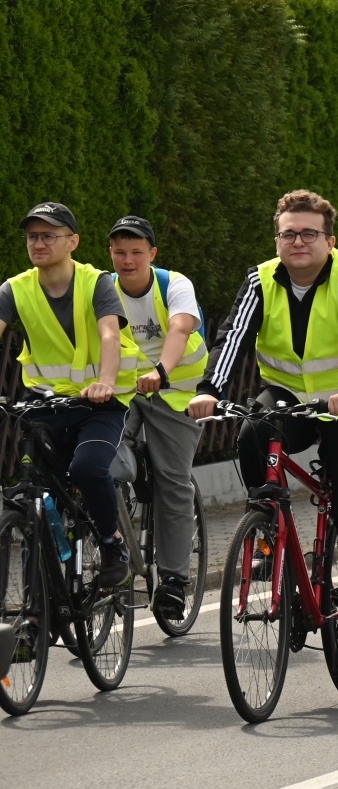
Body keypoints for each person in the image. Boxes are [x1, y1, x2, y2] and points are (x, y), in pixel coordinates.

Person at [190, 190, 338, 678]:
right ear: (277, 238)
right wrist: (209, 388)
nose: (297, 241)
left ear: (329, 239)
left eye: (308, 233)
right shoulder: (261, 279)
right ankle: (268, 531)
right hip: (288, 395)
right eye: (288, 233)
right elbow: (233, 335)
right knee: (252, 433)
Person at [1, 203, 142, 589]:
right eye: (33, 236)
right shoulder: (15, 289)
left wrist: (106, 382)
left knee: (87, 468)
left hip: (98, 404)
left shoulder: (96, 283)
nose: (39, 242)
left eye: (49, 235)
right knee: (37, 498)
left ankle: (113, 544)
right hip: (44, 405)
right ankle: (35, 614)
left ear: (73, 241)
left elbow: (110, 334)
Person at [107, 215, 208, 624]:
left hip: (174, 390)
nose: (127, 260)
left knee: (173, 479)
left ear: (152, 254)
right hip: (126, 389)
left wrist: (162, 372)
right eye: (119, 252)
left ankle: (172, 580)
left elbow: (181, 330)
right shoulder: (103, 288)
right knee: (103, 459)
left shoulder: (173, 285)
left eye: (135, 252)